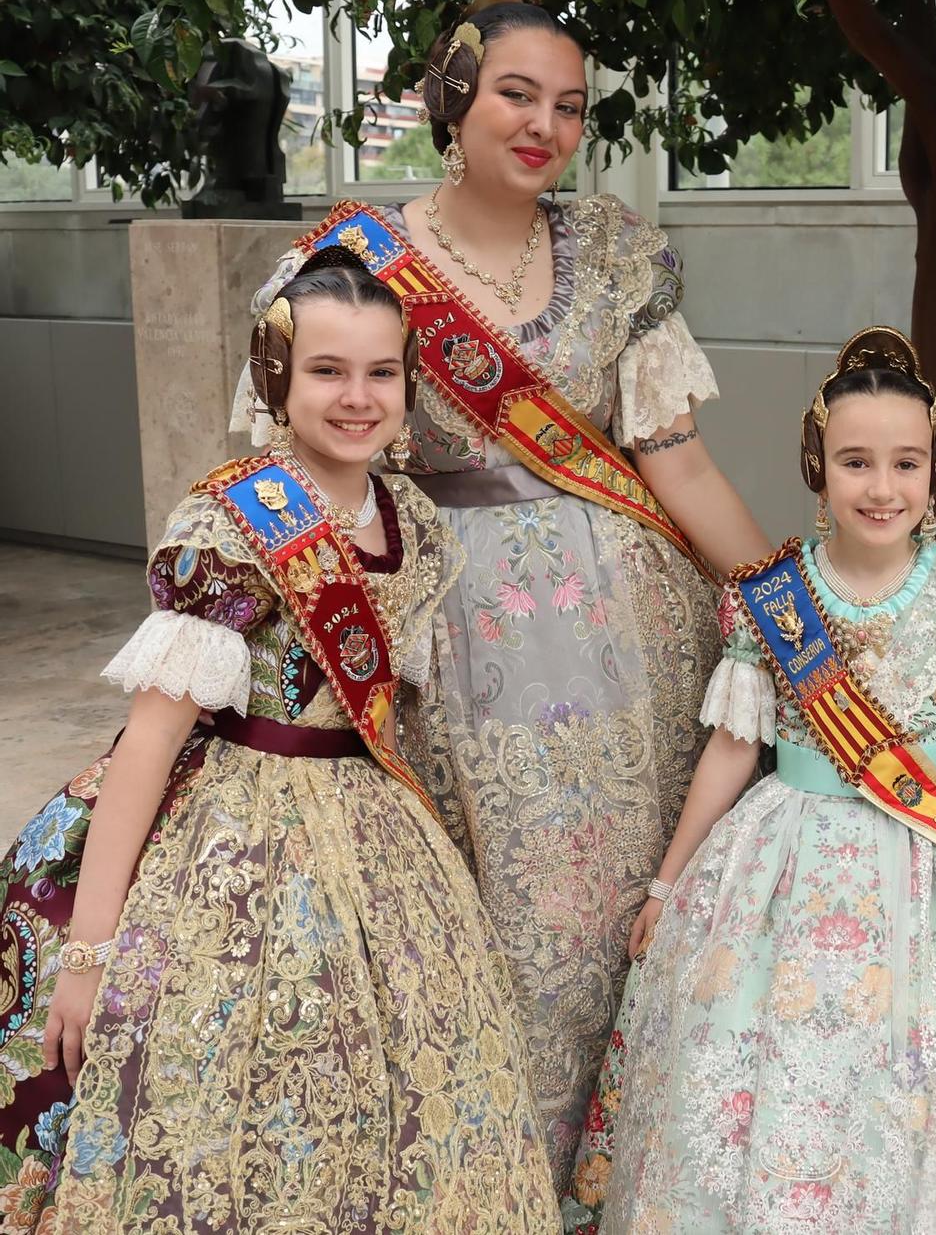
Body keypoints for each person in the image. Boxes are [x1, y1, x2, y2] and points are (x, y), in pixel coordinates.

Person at [238, 0, 771, 1177]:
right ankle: (485, 1179)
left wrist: (788, 603)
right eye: (517, 95)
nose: (544, 127)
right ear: (453, 100)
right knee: (483, 924)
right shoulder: (352, 259)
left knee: (623, 914)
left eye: (570, 108)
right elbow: (297, 470)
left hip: (631, 651)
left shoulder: (619, 254)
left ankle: (611, 1174)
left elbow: (672, 458)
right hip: (445, 643)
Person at [0, 248, 557, 1230]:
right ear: (276, 377)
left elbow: (403, 721)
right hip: (235, 838)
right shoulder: (230, 524)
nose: (357, 396)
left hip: (383, 842)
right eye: (327, 371)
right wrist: (90, 955)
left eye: (381, 372)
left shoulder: (416, 525)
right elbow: (147, 744)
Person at [563, 328, 936, 1233]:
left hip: (930, 874)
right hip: (780, 860)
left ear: (935, 471)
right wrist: (668, 880)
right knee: (757, 1067)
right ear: (818, 467)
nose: (882, 486)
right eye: (857, 462)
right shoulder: (773, 595)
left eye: (906, 462)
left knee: (909, 1085)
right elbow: (736, 749)